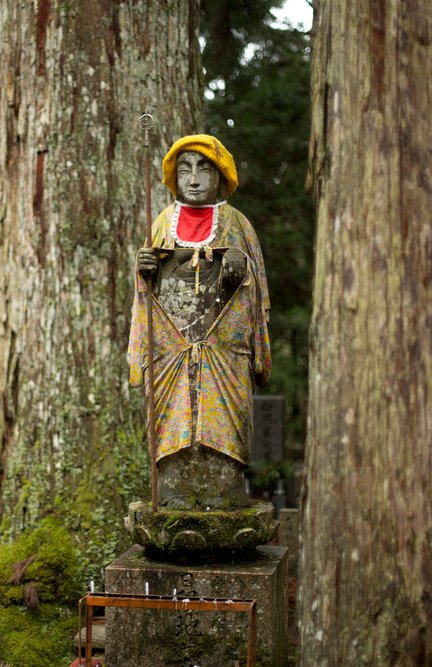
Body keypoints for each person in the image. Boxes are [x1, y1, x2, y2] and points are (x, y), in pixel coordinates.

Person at [128, 134, 271, 511]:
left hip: (224, 346)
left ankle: (223, 489)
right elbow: (148, 292)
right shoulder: (162, 223)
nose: (193, 178)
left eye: (204, 168)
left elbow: (256, 292)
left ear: (221, 176)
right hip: (172, 347)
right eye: (185, 169)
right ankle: (173, 490)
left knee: (223, 418)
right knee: (173, 421)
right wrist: (145, 270)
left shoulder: (236, 224)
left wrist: (239, 270)